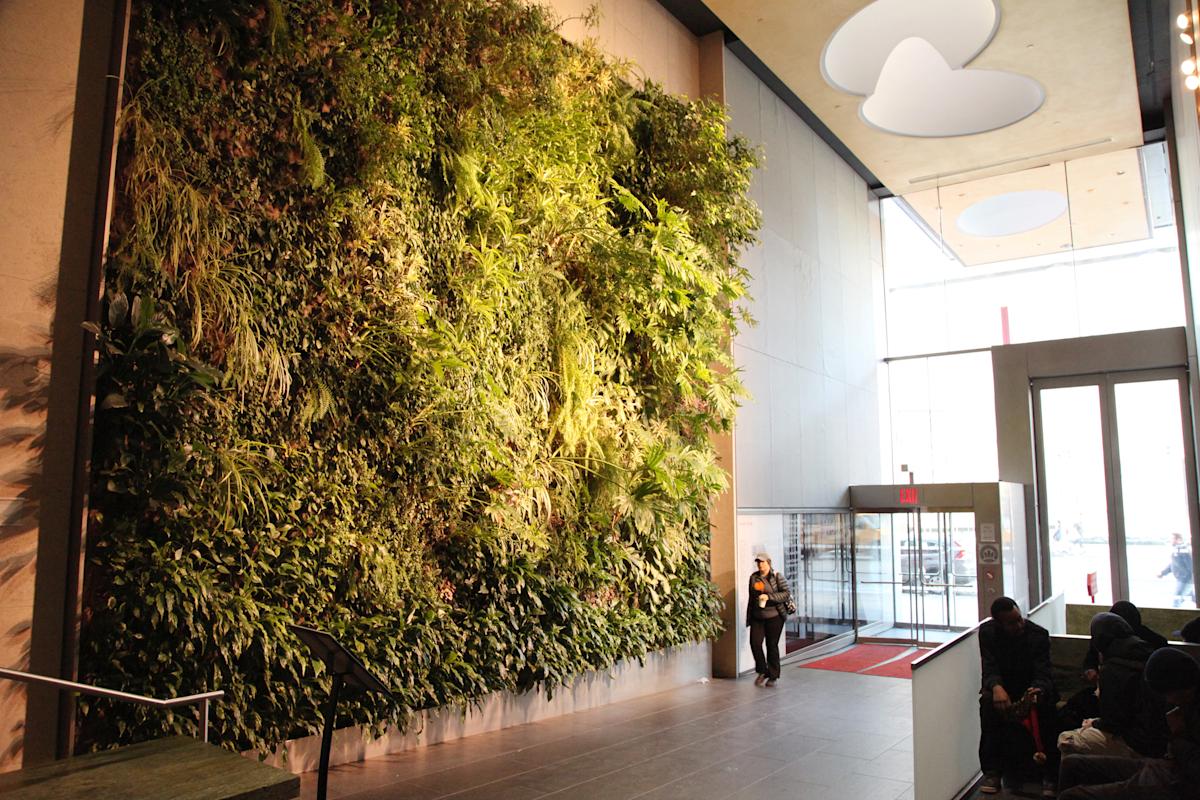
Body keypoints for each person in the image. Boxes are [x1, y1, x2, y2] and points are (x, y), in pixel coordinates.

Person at [1059, 647, 1200, 800]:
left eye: (1170, 695)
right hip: (1161, 766)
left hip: (1177, 781)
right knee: (1071, 765)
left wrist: (1177, 737)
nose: (1169, 700)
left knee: (1072, 796)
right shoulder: (1183, 702)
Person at [1057, 613, 1167, 760]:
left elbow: (1113, 722)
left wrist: (1093, 723)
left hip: (1140, 743)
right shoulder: (1146, 650)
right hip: (1162, 738)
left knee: (1066, 740)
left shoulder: (1112, 667)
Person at [979, 596, 1059, 797]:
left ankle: (1050, 774)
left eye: (1019, 619)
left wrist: (1036, 689)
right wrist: (996, 687)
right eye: (1012, 623)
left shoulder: (1038, 635)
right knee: (988, 704)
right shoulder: (988, 633)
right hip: (1006, 687)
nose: (1019, 625)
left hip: (1034, 687)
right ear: (999, 623)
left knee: (1045, 708)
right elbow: (989, 666)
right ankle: (992, 771)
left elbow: (1044, 672)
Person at [745, 552, 791, 688]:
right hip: (758, 617)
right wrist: (749, 617)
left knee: (771, 646)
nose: (760, 565)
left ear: (768, 563)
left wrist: (769, 597)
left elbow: (786, 594)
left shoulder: (776, 576)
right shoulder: (754, 578)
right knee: (755, 643)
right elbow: (751, 598)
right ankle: (762, 671)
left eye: (763, 562)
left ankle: (773, 675)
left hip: (774, 617)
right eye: (758, 562)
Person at [1158, 533, 1195, 608]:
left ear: (1179, 540)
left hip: (1185, 580)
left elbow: (1191, 566)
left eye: (1172, 539)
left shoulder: (1183, 550)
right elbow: (1173, 564)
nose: (1170, 540)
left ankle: (1174, 618)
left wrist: (1189, 579)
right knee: (1193, 598)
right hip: (1183, 579)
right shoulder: (1177, 550)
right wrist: (1162, 573)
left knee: (1176, 600)